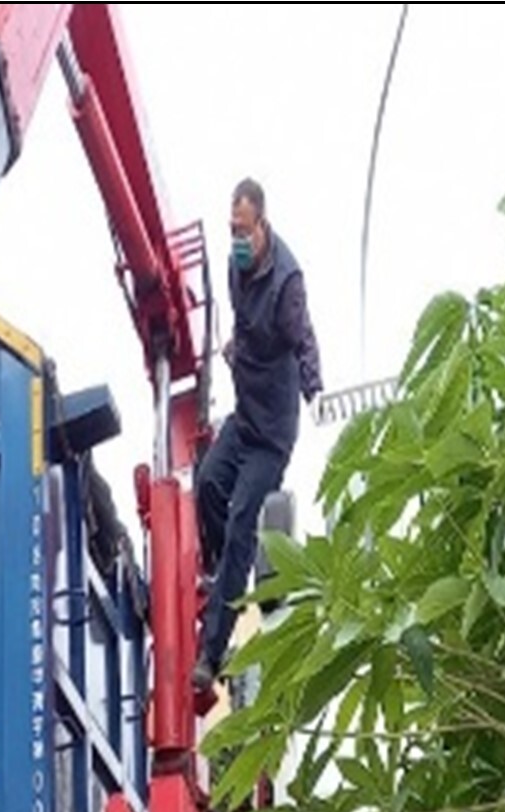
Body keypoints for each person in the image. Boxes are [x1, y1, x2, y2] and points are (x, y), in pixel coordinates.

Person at [195, 177, 323, 693]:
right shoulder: (235, 266)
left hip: (271, 434)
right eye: (231, 230)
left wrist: (315, 387)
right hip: (242, 418)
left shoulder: (287, 281)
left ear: (262, 224)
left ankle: (213, 649)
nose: (237, 240)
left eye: (243, 230)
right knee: (206, 486)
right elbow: (247, 328)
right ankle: (224, 575)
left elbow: (303, 337)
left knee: (243, 515)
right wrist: (234, 347)